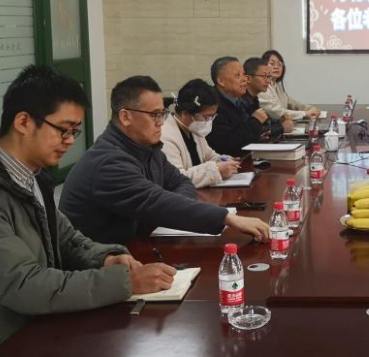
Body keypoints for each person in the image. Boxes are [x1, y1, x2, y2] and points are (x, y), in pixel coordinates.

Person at [0, 65, 178, 357]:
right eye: (63, 130)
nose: (70, 141)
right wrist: (125, 283)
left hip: (22, 327)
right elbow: (24, 285)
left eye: (75, 131)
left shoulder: (28, 176)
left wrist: (106, 258)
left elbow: (67, 239)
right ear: (24, 122)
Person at [60, 75, 268, 244]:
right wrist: (227, 218)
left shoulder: (149, 149)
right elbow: (155, 201)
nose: (161, 122)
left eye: (162, 114)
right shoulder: (108, 162)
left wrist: (176, 205)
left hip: (136, 246)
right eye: (155, 115)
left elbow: (181, 182)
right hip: (101, 262)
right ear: (125, 117)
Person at [161, 78, 241, 188]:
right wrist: (216, 170)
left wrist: (225, 160)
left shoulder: (194, 130)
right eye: (206, 117)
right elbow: (176, 178)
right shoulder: (165, 136)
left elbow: (210, 156)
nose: (209, 122)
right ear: (185, 113)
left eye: (212, 117)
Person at [206, 56, 274, 156]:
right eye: (238, 75)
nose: (244, 79)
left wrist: (257, 136)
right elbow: (228, 143)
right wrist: (255, 121)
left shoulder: (238, 100)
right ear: (221, 81)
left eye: (243, 74)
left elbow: (243, 132)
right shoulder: (213, 105)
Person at [259, 49, 320, 121]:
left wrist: (309, 108)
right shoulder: (261, 88)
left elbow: (291, 103)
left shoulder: (276, 85)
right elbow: (277, 112)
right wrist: (305, 113)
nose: (276, 67)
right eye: (272, 64)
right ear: (263, 66)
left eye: (279, 64)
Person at [243, 57, 295, 139]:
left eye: (269, 76)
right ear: (248, 78)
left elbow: (263, 127)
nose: (268, 81)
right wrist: (281, 127)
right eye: (264, 76)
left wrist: (279, 120)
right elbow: (250, 133)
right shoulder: (240, 101)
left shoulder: (254, 99)